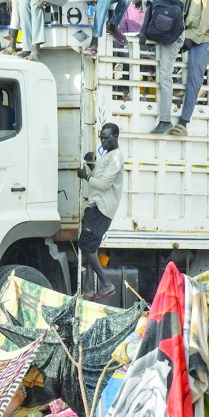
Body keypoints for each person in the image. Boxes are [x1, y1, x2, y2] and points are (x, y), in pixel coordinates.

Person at [167, 0, 209, 137]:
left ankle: (184, 122)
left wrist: (193, 38)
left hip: (205, 37)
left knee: (194, 75)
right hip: (186, 34)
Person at [77, 123, 124, 301]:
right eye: (102, 137)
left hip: (101, 208)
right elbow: (101, 176)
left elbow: (104, 184)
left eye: (107, 138)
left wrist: (85, 176)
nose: (103, 141)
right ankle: (89, 288)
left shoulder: (115, 159)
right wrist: (91, 165)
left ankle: (105, 284)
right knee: (92, 247)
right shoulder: (110, 156)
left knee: (86, 246)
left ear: (116, 137)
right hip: (99, 207)